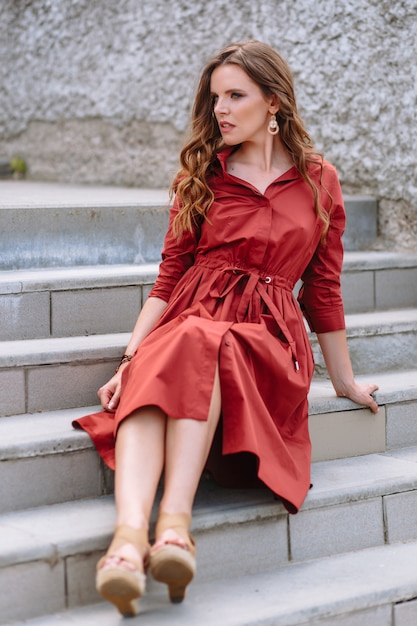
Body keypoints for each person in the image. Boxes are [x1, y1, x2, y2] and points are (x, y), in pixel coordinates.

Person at [73, 40, 379, 617]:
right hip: (192, 318)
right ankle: (134, 538)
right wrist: (128, 358)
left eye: (235, 95)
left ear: (274, 103)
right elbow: (167, 282)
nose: (220, 109)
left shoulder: (320, 182)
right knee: (179, 347)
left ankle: (171, 525)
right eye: (215, 97)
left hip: (267, 340)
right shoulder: (201, 177)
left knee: (199, 341)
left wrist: (344, 382)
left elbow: (324, 290)